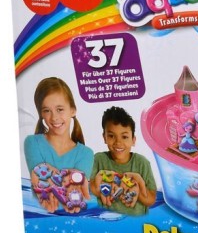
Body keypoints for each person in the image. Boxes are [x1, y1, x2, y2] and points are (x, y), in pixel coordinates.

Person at [24, 77, 93, 213]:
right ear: (41, 114)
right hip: (38, 217)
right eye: (47, 110)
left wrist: (49, 172)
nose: (54, 117)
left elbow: (73, 191)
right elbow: (40, 177)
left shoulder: (86, 154)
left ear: (72, 110)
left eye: (60, 109)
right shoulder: (32, 142)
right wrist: (66, 178)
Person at [90, 106, 156, 216]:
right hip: (107, 221)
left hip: (136, 222)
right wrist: (103, 183)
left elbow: (151, 200)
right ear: (104, 137)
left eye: (124, 137)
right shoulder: (98, 159)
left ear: (133, 140)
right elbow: (91, 189)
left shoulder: (142, 163)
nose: (118, 142)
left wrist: (137, 186)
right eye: (111, 136)